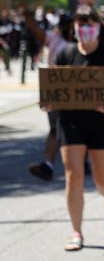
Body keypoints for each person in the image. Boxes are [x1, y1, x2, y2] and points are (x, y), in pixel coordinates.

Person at [53, 5, 104, 251]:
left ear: (98, 27)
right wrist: (48, 100)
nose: (84, 28)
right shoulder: (64, 54)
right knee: (73, 176)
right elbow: (53, 86)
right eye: (80, 22)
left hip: (100, 121)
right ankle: (76, 231)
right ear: (74, 27)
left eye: (89, 23)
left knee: (102, 180)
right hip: (71, 121)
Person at [25, 11, 72, 181]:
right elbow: (39, 34)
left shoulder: (83, 42)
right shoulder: (54, 38)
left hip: (78, 93)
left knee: (79, 127)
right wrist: (28, 17)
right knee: (55, 128)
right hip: (57, 91)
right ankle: (47, 165)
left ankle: (84, 161)